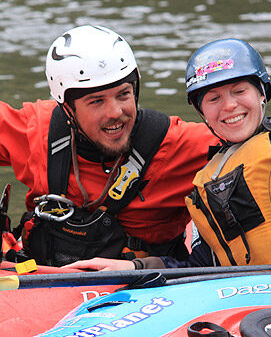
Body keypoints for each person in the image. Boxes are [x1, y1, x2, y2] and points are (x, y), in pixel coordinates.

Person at [64, 38, 271, 296]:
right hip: (250, 296)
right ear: (203, 113)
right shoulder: (206, 178)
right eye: (214, 99)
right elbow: (201, 264)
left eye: (239, 90)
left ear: (263, 93)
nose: (229, 106)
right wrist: (134, 267)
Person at [0, 25, 219, 266]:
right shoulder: (37, 129)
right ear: (68, 109)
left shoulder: (178, 145)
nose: (116, 112)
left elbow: (256, 144)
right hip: (43, 282)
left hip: (142, 290)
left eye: (123, 95)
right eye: (96, 101)